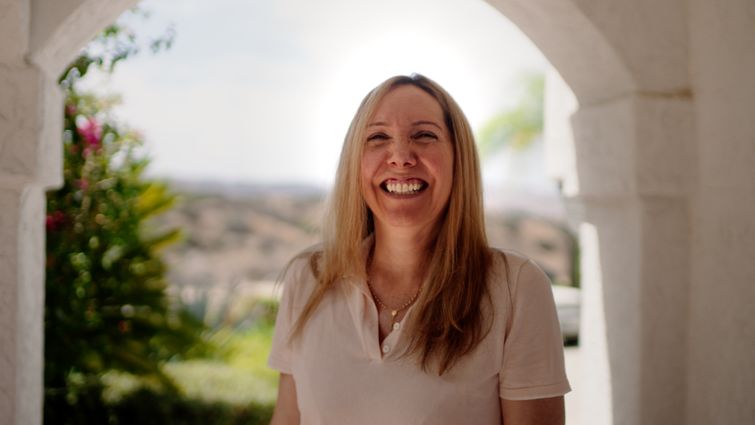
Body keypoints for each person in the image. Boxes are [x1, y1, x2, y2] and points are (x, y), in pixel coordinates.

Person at [268, 74, 570, 425]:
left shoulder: (515, 288)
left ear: (459, 159)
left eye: (424, 135)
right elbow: (287, 418)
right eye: (378, 137)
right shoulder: (308, 280)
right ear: (355, 162)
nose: (400, 157)